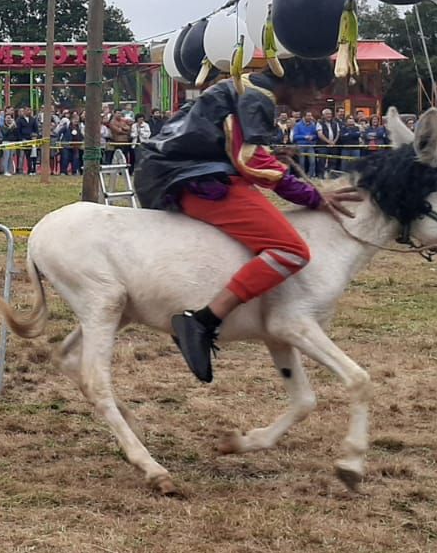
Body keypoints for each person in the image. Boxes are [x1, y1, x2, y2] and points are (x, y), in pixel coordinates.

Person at [132, 58, 361, 382]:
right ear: (293, 81)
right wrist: (312, 196)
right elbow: (251, 161)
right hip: (193, 179)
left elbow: (231, 143)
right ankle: (203, 322)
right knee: (291, 250)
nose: (316, 98)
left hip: (177, 172)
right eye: (314, 88)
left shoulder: (244, 85)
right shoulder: (257, 96)